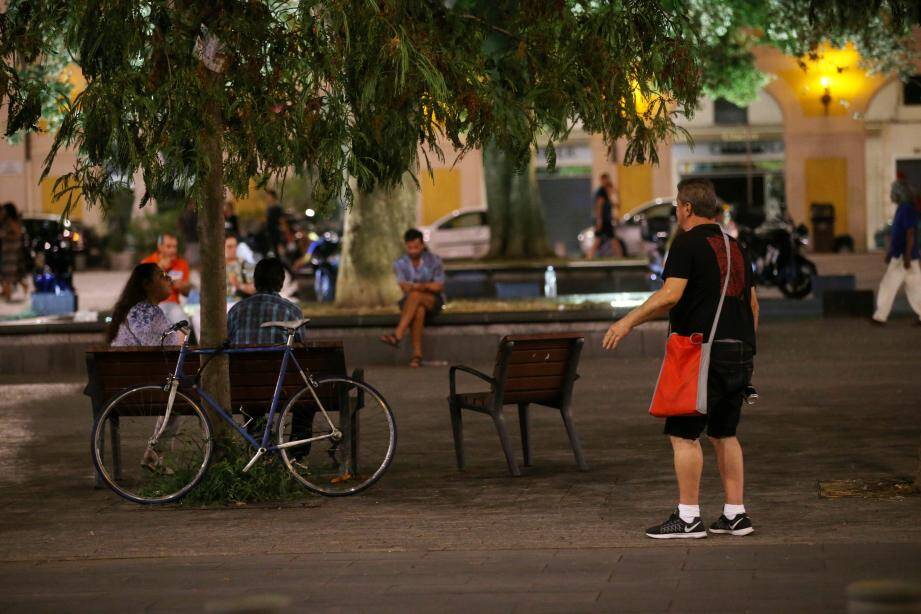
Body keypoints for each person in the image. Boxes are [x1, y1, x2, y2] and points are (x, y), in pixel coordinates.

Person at [602, 178, 759, 539]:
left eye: (677, 204)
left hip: (700, 351)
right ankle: (736, 514)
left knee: (684, 434)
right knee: (725, 433)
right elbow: (752, 304)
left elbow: (670, 295)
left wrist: (626, 322)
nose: (676, 210)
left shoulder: (686, 243)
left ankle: (688, 518)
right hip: (739, 350)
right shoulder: (735, 246)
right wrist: (748, 349)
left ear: (687, 208)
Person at [108, 263, 184, 471]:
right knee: (182, 393)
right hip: (138, 388)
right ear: (146, 284)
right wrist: (181, 338)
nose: (168, 279)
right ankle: (155, 452)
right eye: (161, 276)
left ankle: (154, 453)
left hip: (120, 386)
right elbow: (164, 350)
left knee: (177, 391)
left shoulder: (137, 310)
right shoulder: (144, 313)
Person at [379, 228, 445, 368]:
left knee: (416, 295)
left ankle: (397, 335)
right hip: (410, 302)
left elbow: (438, 286)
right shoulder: (400, 263)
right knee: (418, 309)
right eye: (410, 247)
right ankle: (417, 356)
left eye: (416, 247)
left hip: (433, 300)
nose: (413, 250)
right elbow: (403, 286)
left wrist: (419, 287)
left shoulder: (434, 260)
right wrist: (425, 286)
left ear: (422, 245)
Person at [227, 257, 304, 346]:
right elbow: (300, 348)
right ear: (282, 282)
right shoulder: (293, 311)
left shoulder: (235, 311)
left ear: (255, 281)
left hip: (242, 359)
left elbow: (228, 341)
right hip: (278, 360)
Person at [872, 194, 921, 325]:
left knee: (888, 286)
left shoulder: (905, 209)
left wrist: (906, 255)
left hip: (902, 257)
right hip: (908, 256)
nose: (891, 196)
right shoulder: (904, 209)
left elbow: (910, 233)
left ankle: (880, 317)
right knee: (915, 288)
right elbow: (899, 235)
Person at [140, 232, 191, 325]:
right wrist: (159, 268)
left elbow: (187, 293)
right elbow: (141, 290)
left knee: (184, 324)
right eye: (169, 246)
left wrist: (183, 286)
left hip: (173, 304)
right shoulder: (147, 262)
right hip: (152, 304)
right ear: (160, 247)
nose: (173, 250)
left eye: (175, 246)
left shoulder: (182, 263)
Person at [587, 173, 623, 259]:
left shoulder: (606, 192)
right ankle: (619, 256)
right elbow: (599, 206)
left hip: (606, 220)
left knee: (608, 239)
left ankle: (619, 256)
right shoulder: (601, 192)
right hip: (603, 221)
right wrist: (599, 221)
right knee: (603, 240)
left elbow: (613, 205)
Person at [1, 202, 29, 302]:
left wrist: (6, 236)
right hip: (7, 251)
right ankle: (8, 292)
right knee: (13, 274)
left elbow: (18, 233)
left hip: (12, 252)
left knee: (8, 274)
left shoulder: (12, 221)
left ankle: (7, 295)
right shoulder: (5, 222)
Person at [225, 235, 256, 299]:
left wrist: (238, 285)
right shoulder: (217, 268)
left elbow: (254, 289)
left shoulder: (245, 264)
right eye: (229, 247)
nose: (234, 249)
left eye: (235, 246)